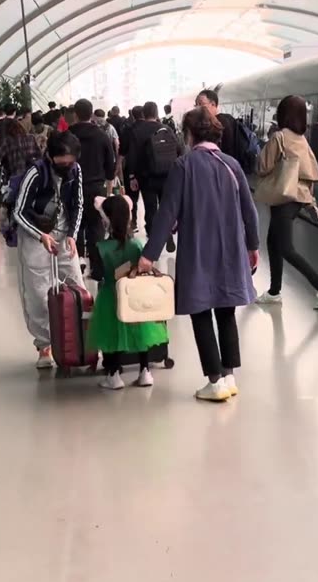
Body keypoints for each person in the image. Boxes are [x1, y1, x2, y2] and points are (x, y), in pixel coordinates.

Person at [137, 106, 259, 402]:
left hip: (198, 250)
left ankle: (214, 380)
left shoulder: (184, 165)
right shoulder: (231, 164)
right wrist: (253, 247)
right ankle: (229, 376)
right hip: (231, 249)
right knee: (227, 310)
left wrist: (149, 255)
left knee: (201, 312)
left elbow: (167, 213)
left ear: (189, 134)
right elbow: (250, 212)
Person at [254, 95, 318, 309]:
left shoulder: (279, 137)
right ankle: (274, 291)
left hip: (284, 197)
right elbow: (310, 174)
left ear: (283, 114)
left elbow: (263, 166)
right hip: (297, 199)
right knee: (273, 242)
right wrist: (311, 202)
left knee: (286, 248)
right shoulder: (302, 140)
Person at [12, 131, 85, 369]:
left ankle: (81, 341)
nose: (66, 166)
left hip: (64, 235)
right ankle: (44, 345)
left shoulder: (76, 170)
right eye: (61, 162)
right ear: (50, 157)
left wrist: (73, 236)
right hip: (36, 235)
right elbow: (19, 211)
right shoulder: (35, 173)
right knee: (38, 294)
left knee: (78, 286)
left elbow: (78, 203)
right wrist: (40, 236)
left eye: (70, 161)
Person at [87, 193, 170, 390]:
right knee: (141, 332)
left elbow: (98, 275)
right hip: (135, 296)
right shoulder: (137, 245)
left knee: (111, 334)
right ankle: (144, 371)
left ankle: (114, 375)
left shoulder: (100, 247)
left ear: (106, 220)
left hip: (110, 296)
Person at [68, 99, 117, 275]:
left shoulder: (68, 135)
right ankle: (97, 267)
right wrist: (109, 185)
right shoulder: (102, 135)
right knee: (96, 226)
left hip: (73, 186)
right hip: (96, 188)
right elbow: (110, 165)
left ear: (75, 114)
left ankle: (77, 262)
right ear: (92, 114)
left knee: (75, 224)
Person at [133, 101, 181, 253]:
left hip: (147, 177)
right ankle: (168, 233)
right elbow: (178, 150)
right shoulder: (166, 129)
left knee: (150, 208)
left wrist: (132, 177)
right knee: (166, 207)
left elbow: (133, 157)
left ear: (144, 114)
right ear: (156, 113)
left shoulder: (137, 130)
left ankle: (153, 240)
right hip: (167, 175)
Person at [118, 103, 144, 228]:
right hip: (148, 169)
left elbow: (122, 151)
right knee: (150, 201)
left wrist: (118, 168)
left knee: (131, 197)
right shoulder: (152, 128)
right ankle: (152, 224)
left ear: (132, 115)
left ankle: (133, 221)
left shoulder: (127, 130)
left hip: (131, 169)